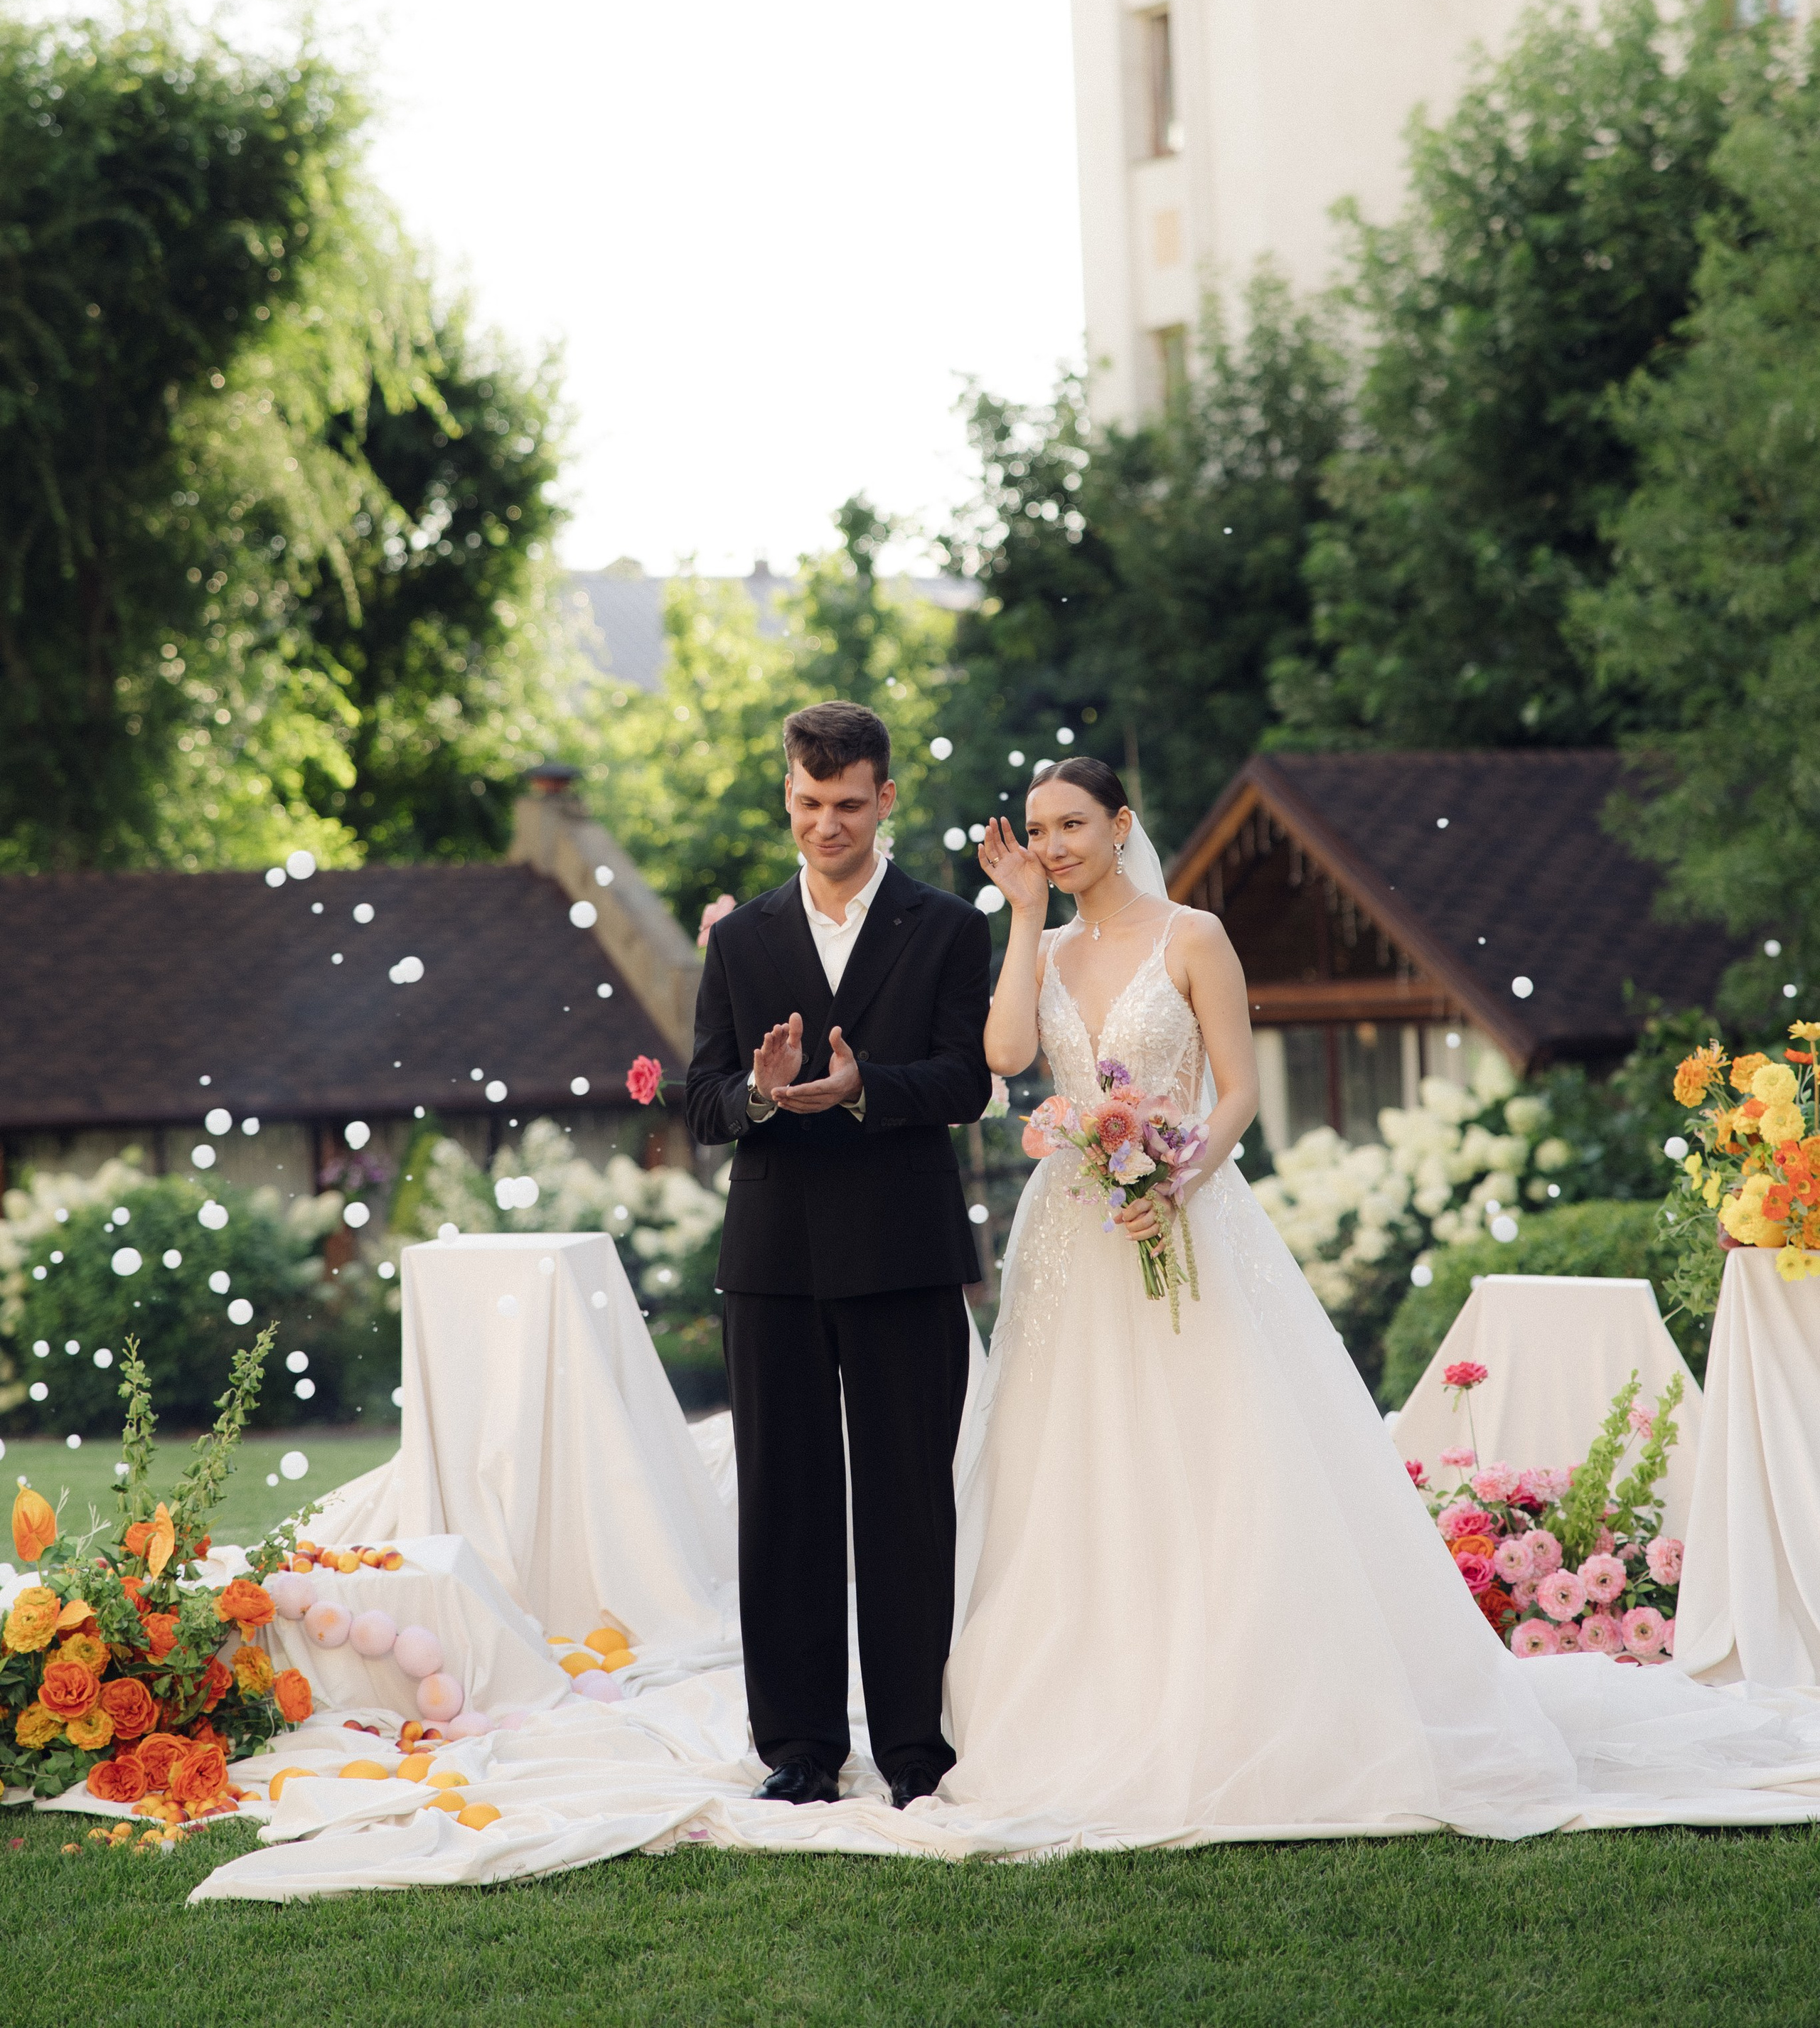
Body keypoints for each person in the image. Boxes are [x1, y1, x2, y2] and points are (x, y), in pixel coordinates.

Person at [936, 758, 1820, 1846]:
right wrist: (1025, 916)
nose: (1054, 845)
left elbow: (1239, 1093)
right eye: (1038, 831)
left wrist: (1175, 1179)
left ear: (1121, 825)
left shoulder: (1194, 937)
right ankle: (1087, 1686)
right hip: (1073, 1235)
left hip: (1183, 1211)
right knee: (1077, 1455)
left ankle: (1239, 1687)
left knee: (1212, 1446)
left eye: (1072, 824)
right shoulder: (1047, 948)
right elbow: (1006, 1055)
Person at [685, 700, 989, 1810]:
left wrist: (869, 1087)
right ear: (788, 797)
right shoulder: (741, 939)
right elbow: (702, 1099)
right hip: (773, 1260)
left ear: (885, 798)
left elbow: (968, 1081)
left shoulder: (948, 928)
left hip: (906, 1253)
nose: (828, 824)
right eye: (810, 803)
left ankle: (912, 1746)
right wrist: (760, 1094)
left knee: (910, 1505)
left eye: (849, 804)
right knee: (784, 1506)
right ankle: (801, 1747)